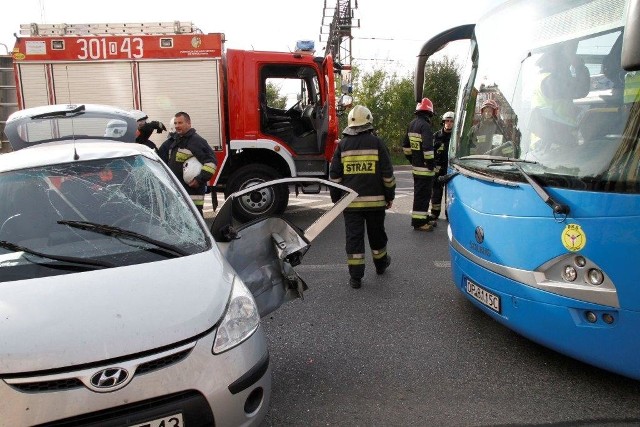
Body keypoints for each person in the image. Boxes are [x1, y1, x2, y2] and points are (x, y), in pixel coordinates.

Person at [329, 105, 396, 289]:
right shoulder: (377, 143)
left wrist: (337, 200)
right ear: (369, 122)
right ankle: (381, 265)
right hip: (376, 204)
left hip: (350, 204)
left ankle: (356, 278)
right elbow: (387, 176)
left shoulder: (342, 145)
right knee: (377, 235)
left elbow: (334, 177)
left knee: (354, 238)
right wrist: (389, 195)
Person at [529, 42, 590, 149]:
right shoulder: (552, 81)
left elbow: (553, 108)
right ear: (554, 60)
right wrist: (579, 65)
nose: (567, 64)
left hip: (546, 142)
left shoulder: (540, 79)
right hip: (554, 143)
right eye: (565, 60)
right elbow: (581, 89)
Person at [158, 112, 218, 216]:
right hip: (180, 191)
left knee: (195, 221)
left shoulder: (196, 141)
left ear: (189, 123)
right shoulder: (176, 141)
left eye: (180, 123)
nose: (177, 126)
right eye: (175, 123)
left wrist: (199, 180)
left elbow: (211, 162)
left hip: (192, 194)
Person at [402, 97, 436, 231]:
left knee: (419, 194)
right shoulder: (426, 126)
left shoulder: (411, 124)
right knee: (423, 195)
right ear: (429, 113)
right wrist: (431, 164)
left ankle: (423, 217)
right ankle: (419, 223)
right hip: (425, 170)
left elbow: (406, 146)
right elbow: (428, 149)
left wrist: (412, 160)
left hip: (416, 168)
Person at [428, 111, 454, 225]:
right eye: (446, 121)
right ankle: (435, 213)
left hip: (450, 168)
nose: (448, 123)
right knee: (436, 192)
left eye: (451, 121)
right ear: (443, 122)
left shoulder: (456, 137)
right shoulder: (436, 136)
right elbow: (430, 152)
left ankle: (450, 214)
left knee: (450, 193)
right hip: (438, 169)